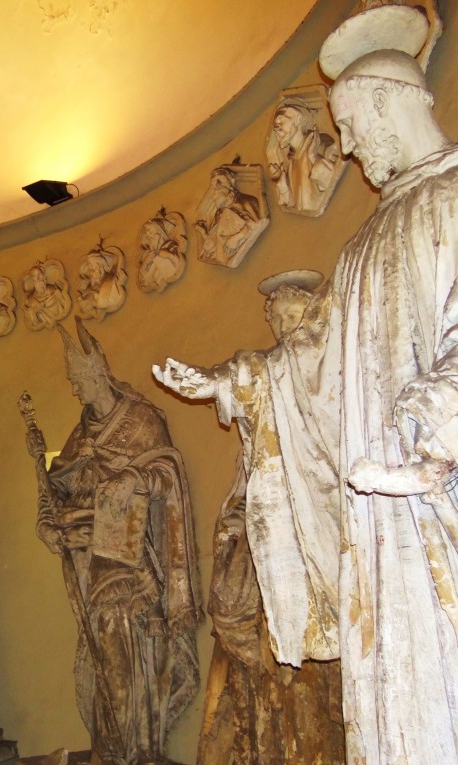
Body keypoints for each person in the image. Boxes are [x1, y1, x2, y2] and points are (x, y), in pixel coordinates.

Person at [159, 7, 458, 761]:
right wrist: (238, 382)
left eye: (348, 124)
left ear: (388, 99)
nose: (344, 147)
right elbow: (315, 366)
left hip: (453, 507)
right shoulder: (362, 247)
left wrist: (429, 415)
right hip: (382, 532)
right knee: (400, 699)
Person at [166, 270, 344, 764]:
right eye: (277, 320)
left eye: (293, 317)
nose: (284, 332)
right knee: (234, 607)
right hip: (271, 528)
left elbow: (265, 372)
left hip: (326, 526)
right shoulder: (280, 381)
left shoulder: (332, 371)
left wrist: (219, 379)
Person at [25, 319, 202, 765]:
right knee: (103, 652)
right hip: (88, 556)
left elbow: (167, 473)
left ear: (99, 376)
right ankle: (111, 750)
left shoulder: (142, 420)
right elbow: (60, 488)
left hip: (129, 558)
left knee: (127, 648)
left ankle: (139, 749)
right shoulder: (81, 433)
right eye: (71, 381)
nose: (73, 390)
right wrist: (47, 523)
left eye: (78, 380)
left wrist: (136, 477)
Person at [265, 99, 340, 215]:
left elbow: (332, 181)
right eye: (275, 126)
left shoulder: (324, 144)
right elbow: (298, 204)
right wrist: (283, 187)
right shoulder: (292, 162)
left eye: (281, 121)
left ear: (299, 120)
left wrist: (313, 157)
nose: (276, 128)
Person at [195, 166, 267, 268]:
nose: (217, 186)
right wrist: (204, 233)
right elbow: (215, 245)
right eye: (214, 184)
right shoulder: (220, 213)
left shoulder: (245, 201)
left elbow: (255, 224)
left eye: (220, 181)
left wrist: (236, 238)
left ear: (231, 182)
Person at [21, 260, 72, 331]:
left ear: (44, 277)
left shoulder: (54, 290)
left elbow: (64, 304)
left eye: (39, 275)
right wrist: (36, 310)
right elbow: (30, 316)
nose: (37, 279)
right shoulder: (31, 300)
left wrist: (64, 290)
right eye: (34, 277)